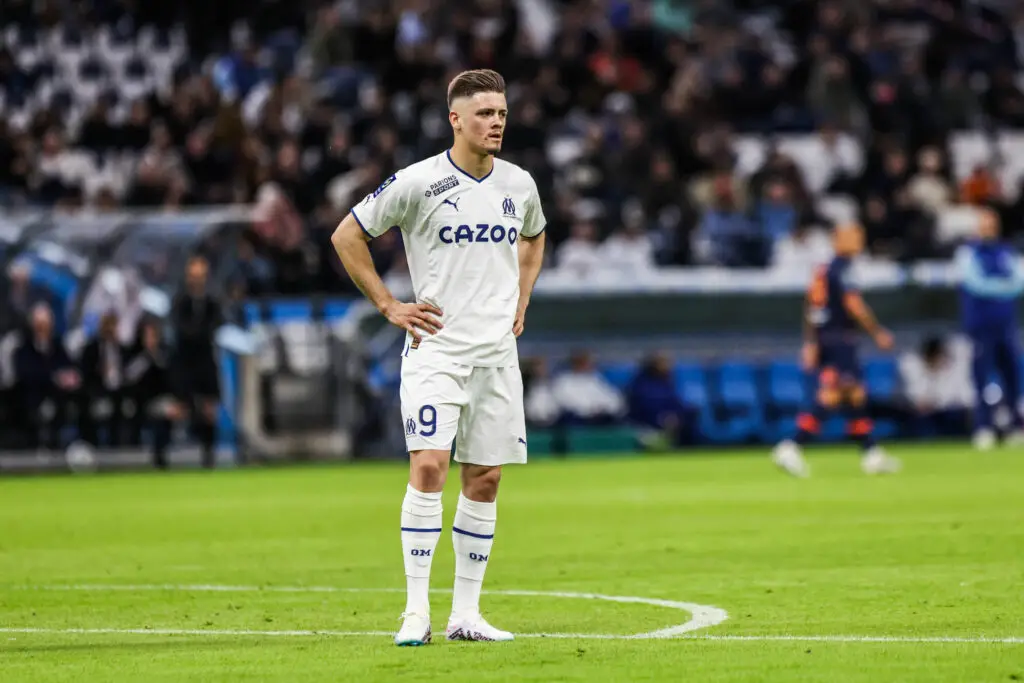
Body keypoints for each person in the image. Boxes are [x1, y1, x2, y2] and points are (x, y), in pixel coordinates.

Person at [331, 69, 546, 645]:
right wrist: (388, 305)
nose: (496, 123)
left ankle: (466, 615)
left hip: (496, 354)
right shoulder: (418, 182)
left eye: (501, 113)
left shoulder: (520, 184)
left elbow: (535, 236)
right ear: (456, 119)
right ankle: (415, 612)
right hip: (437, 350)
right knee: (428, 467)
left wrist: (522, 297)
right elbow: (347, 236)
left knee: (486, 478)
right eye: (485, 114)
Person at [772, 223, 902, 477]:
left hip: (828, 338)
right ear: (838, 240)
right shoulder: (843, 269)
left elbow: (812, 306)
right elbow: (854, 305)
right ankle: (791, 446)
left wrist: (811, 342)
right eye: (854, 236)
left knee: (855, 396)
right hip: (840, 339)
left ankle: (871, 453)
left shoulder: (824, 270)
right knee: (832, 395)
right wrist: (877, 332)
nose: (859, 240)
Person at [955, 209, 1024, 449]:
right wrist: (1004, 287)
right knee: (982, 378)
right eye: (984, 224)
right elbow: (975, 284)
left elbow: (1020, 281)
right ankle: (983, 427)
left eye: (992, 224)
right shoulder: (967, 252)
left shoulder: (1007, 251)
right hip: (980, 326)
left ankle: (1015, 426)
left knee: (1013, 377)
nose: (988, 228)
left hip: (1006, 324)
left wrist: (1000, 287)